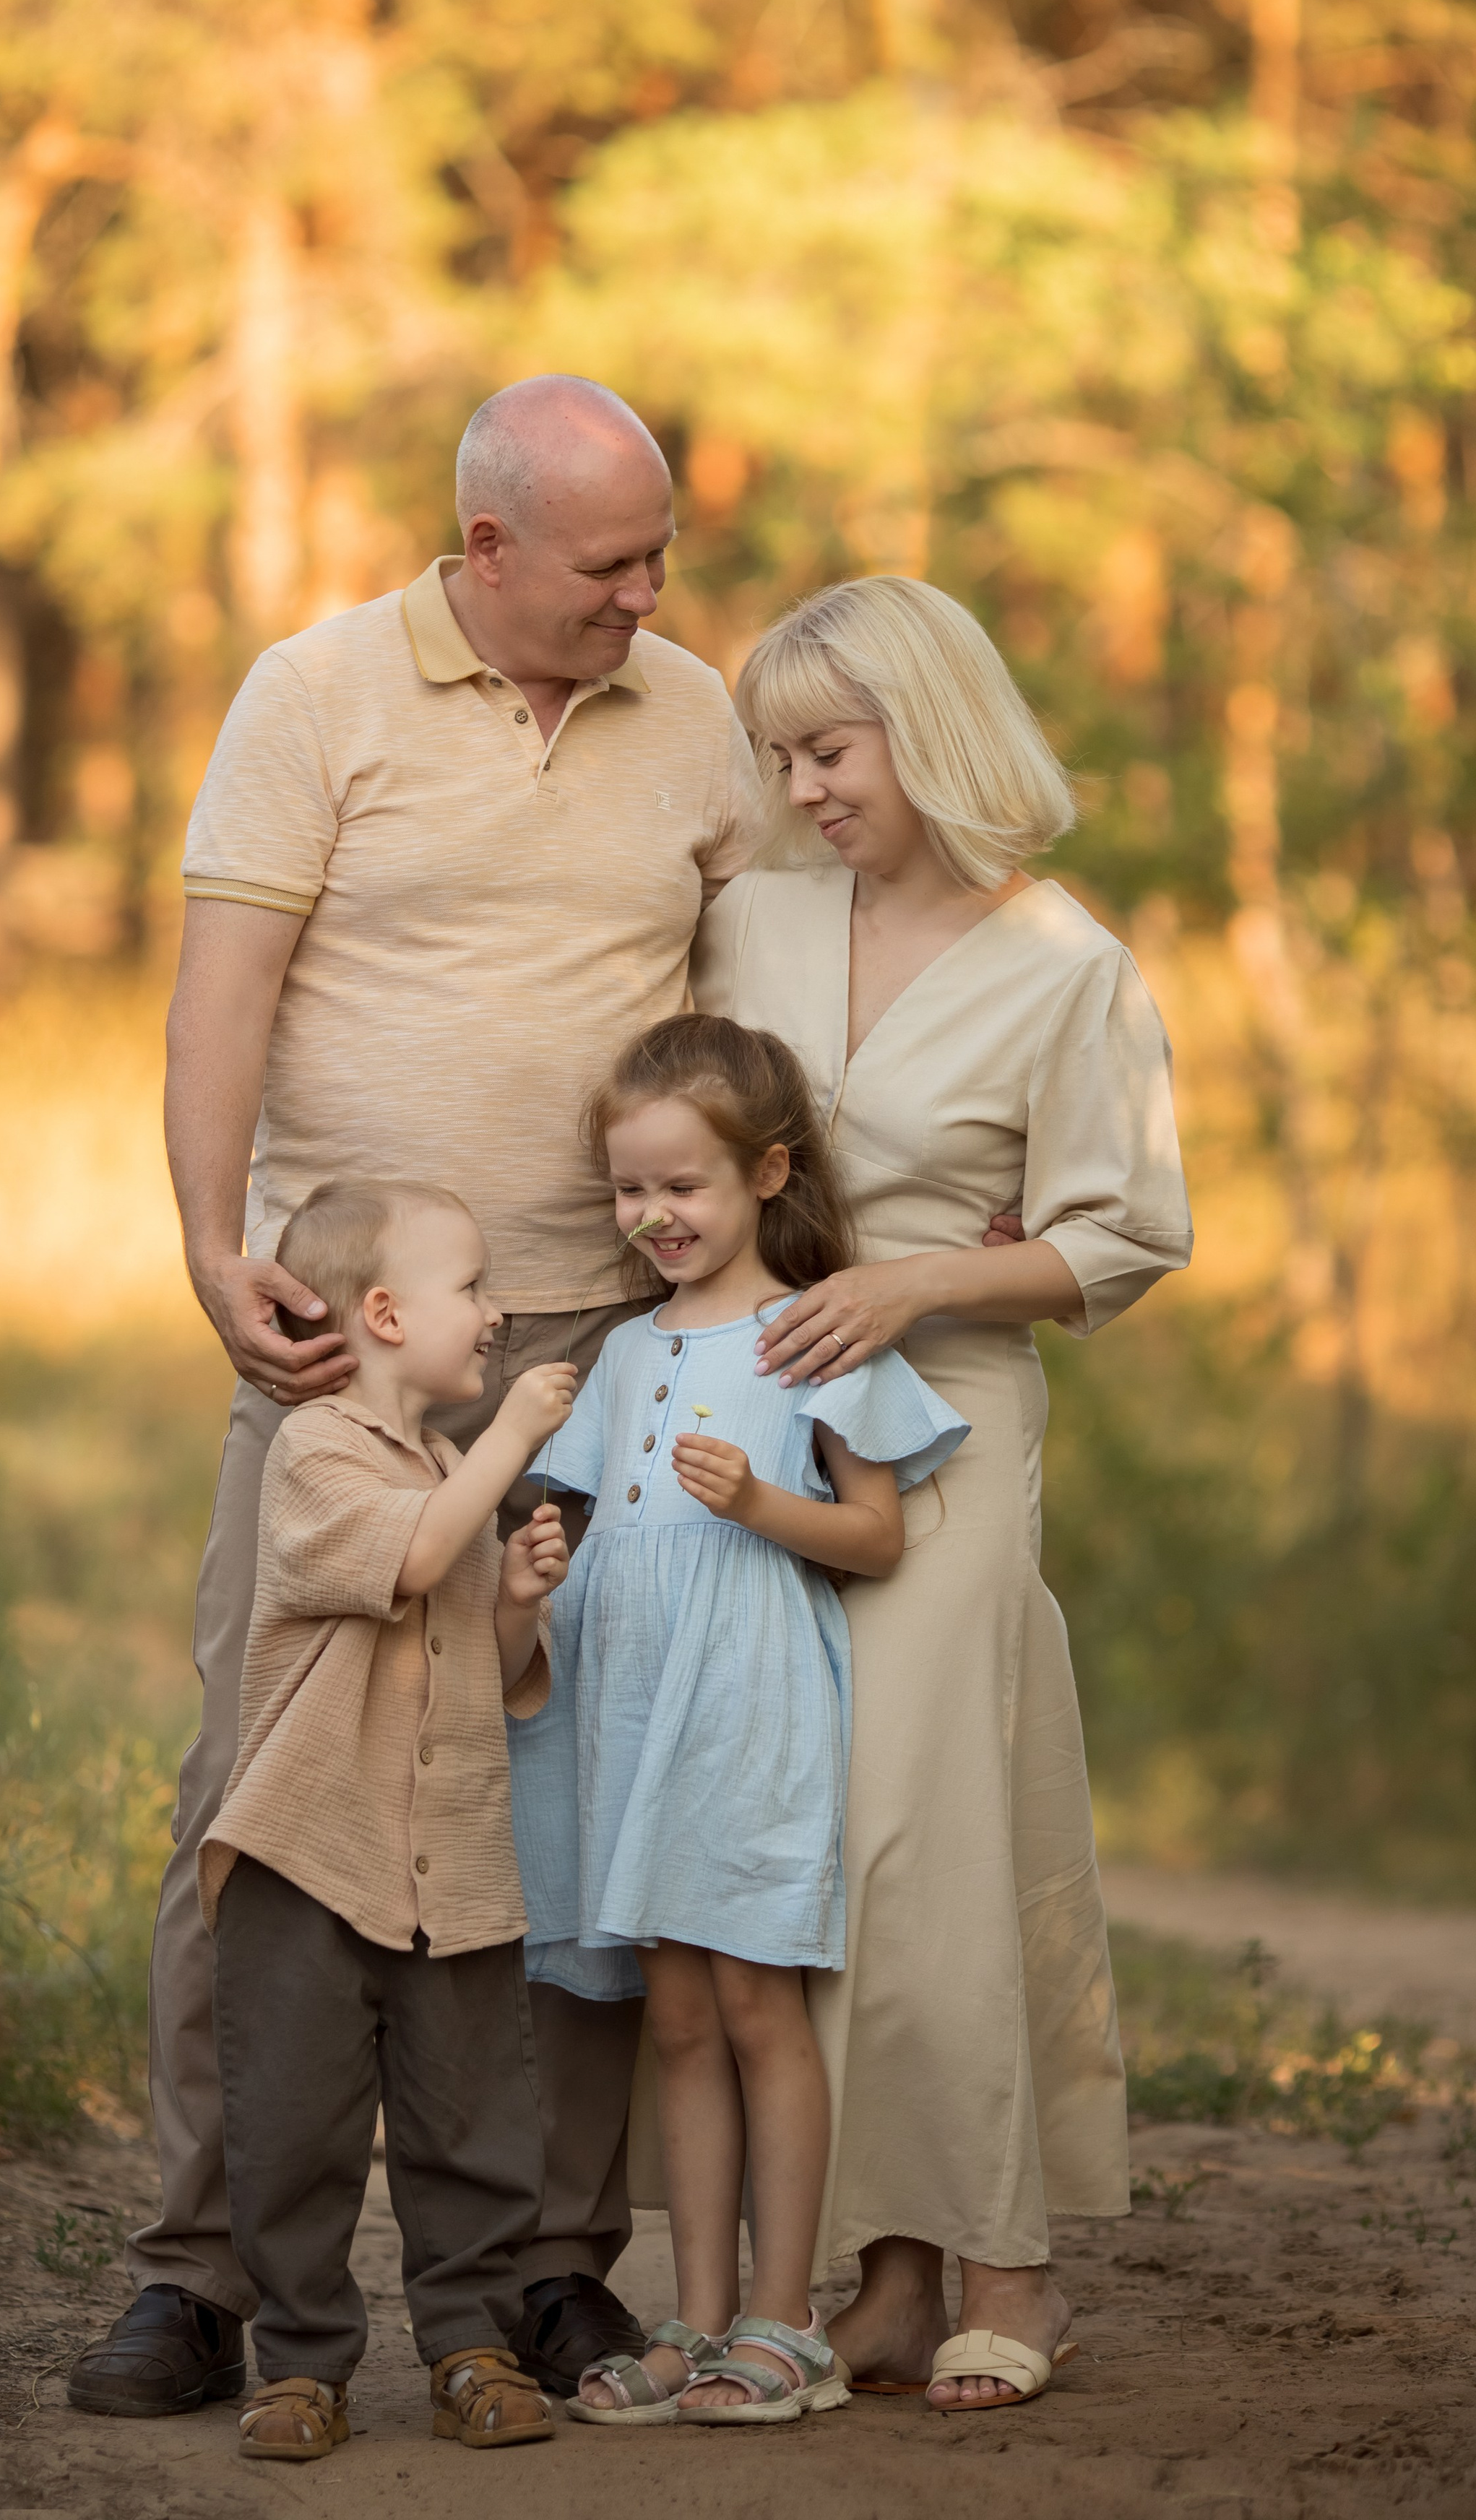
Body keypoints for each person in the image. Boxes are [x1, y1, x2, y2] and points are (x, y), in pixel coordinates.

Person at [69, 374, 765, 2418]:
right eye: (608, 563)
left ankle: (548, 2263)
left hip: (603, 1349)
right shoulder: (315, 694)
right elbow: (224, 995)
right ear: (484, 549)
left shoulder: (698, 717)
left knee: (556, 1804)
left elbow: (752, 1021)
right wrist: (217, 1250)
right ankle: (203, 2268)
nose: (648, 594)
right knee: (265, 1800)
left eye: (660, 556)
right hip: (348, 1351)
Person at [691, 575, 1193, 2412]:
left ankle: (1010, 2264)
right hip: (753, 1420)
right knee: (813, 1836)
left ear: (931, 728)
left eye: (827, 750)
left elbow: (1123, 1232)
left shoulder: (1066, 964)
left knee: (921, 1827)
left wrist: (923, 1279)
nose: (803, 787)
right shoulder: (750, 917)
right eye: (780, 756)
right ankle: (884, 2273)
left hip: (950, 1421)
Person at [511, 1016, 968, 2429]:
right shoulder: (624, 1350)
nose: (651, 1214)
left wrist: (757, 1502)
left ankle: (784, 2317)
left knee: (760, 2006)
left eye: (681, 1186)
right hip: (632, 1715)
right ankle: (693, 2314)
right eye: (626, 1189)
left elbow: (876, 1534)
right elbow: (586, 1521)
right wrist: (538, 1564)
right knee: (682, 2019)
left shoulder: (810, 1333)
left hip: (748, 1707)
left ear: (767, 1172)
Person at [198, 1178, 574, 2458]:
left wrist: (516, 1596)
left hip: (449, 1856)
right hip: (313, 1854)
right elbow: (408, 1562)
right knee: (296, 2121)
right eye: (471, 1287)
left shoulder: (452, 1468)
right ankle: (302, 2359)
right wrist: (518, 1440)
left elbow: (475, 1647)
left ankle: (470, 2336)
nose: (496, 1311)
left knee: (472, 2117)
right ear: (382, 1313)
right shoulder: (315, 1452)